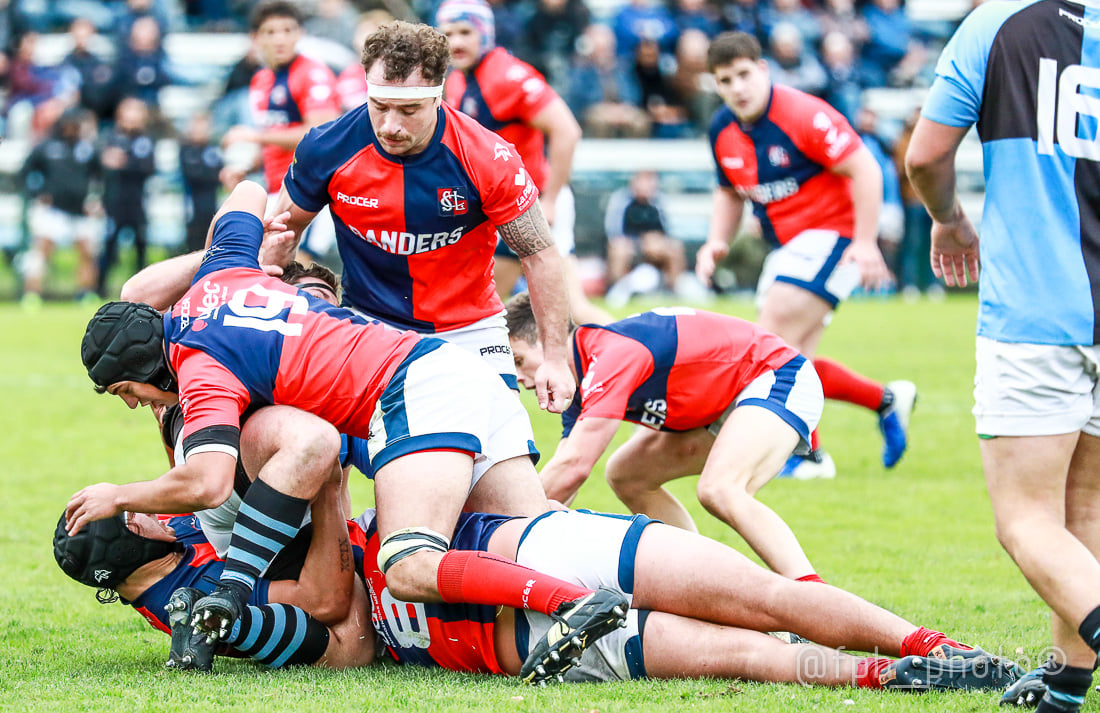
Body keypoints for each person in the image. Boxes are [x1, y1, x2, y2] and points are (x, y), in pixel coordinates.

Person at [67, 179, 627, 685]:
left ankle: (569, 603)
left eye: (125, 391)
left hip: (410, 391)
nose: (133, 403)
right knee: (532, 533)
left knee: (408, 561)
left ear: (142, 370)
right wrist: (245, 246)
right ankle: (617, 591)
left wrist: (119, 495)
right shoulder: (221, 274)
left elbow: (209, 482)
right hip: (453, 372)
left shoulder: (201, 369)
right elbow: (247, 191)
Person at [54, 492, 1020, 692]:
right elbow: (338, 627)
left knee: (751, 626)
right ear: (142, 530)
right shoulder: (212, 589)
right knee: (754, 618)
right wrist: (328, 506)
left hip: (486, 600)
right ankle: (925, 662)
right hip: (483, 594)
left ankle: (915, 665)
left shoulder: (191, 565)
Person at [903, 2, 1100, 711]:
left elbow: (925, 155)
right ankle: (1068, 685)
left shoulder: (998, 22)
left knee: (1025, 519)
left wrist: (948, 219)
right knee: (1085, 508)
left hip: (1039, 312)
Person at [268, 20, 575, 409]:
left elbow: (540, 254)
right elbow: (281, 234)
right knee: (335, 442)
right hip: (368, 325)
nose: (390, 125)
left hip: (469, 329)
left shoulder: (488, 157)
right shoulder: (326, 147)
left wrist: (554, 358)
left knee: (505, 448)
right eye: (380, 106)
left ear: (438, 96)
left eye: (409, 109)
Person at [694, 31, 916, 479]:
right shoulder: (722, 128)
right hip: (787, 248)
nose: (738, 87)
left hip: (834, 237)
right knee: (793, 360)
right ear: (716, 85)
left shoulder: (803, 114)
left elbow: (866, 168)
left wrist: (866, 241)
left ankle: (804, 456)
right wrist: (717, 239)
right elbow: (728, 191)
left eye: (744, 74)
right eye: (726, 80)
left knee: (768, 345)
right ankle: (885, 401)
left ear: (763, 70)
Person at [508, 293, 830, 583]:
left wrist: (500, 525)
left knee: (720, 489)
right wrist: (510, 528)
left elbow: (574, 466)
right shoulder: (579, 375)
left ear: (550, 338)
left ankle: (814, 595)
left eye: (519, 361)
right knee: (627, 474)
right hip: (724, 400)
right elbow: (563, 473)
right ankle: (705, 580)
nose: (520, 378)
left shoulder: (611, 355)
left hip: (778, 375)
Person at [437, 0, 610, 327]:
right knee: (490, 310)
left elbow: (567, 130)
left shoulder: (507, 76)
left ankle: (632, 349)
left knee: (480, 309)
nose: (456, 42)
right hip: (499, 207)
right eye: (448, 34)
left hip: (530, 205)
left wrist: (550, 200)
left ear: (485, 33)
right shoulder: (458, 79)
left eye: (465, 32)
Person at [218, 0, 340, 198]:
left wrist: (254, 137)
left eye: (288, 30)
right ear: (255, 38)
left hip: (313, 191)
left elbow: (322, 134)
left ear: (300, 33)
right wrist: (244, 167)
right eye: (270, 32)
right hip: (277, 188)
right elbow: (274, 141)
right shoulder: (261, 79)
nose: (280, 39)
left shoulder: (313, 73)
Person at [19, 106, 101, 307]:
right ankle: (32, 294)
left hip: (80, 210)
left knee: (87, 252)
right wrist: (37, 193)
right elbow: (25, 171)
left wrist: (95, 199)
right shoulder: (46, 147)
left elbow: (100, 177)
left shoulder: (87, 149)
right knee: (41, 251)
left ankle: (85, 293)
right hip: (53, 210)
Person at [96, 96, 156, 298]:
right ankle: (99, 288)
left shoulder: (145, 140)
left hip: (137, 201)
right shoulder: (109, 137)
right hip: (114, 201)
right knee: (109, 246)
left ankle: (143, 290)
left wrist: (124, 162)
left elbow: (148, 167)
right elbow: (99, 165)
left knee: (140, 245)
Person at [602, 169, 686, 305]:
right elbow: (613, 231)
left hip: (655, 244)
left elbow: (671, 230)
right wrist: (635, 242)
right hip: (629, 243)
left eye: (649, 180)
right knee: (618, 250)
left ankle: (673, 292)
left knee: (675, 249)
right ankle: (617, 291)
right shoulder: (621, 200)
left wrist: (657, 240)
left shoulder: (660, 201)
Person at [178, 112, 224, 254]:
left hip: (212, 206)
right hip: (193, 207)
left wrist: (205, 172)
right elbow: (191, 174)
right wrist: (210, 174)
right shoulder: (186, 150)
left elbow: (220, 175)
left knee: (211, 245)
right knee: (194, 245)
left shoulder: (214, 149)